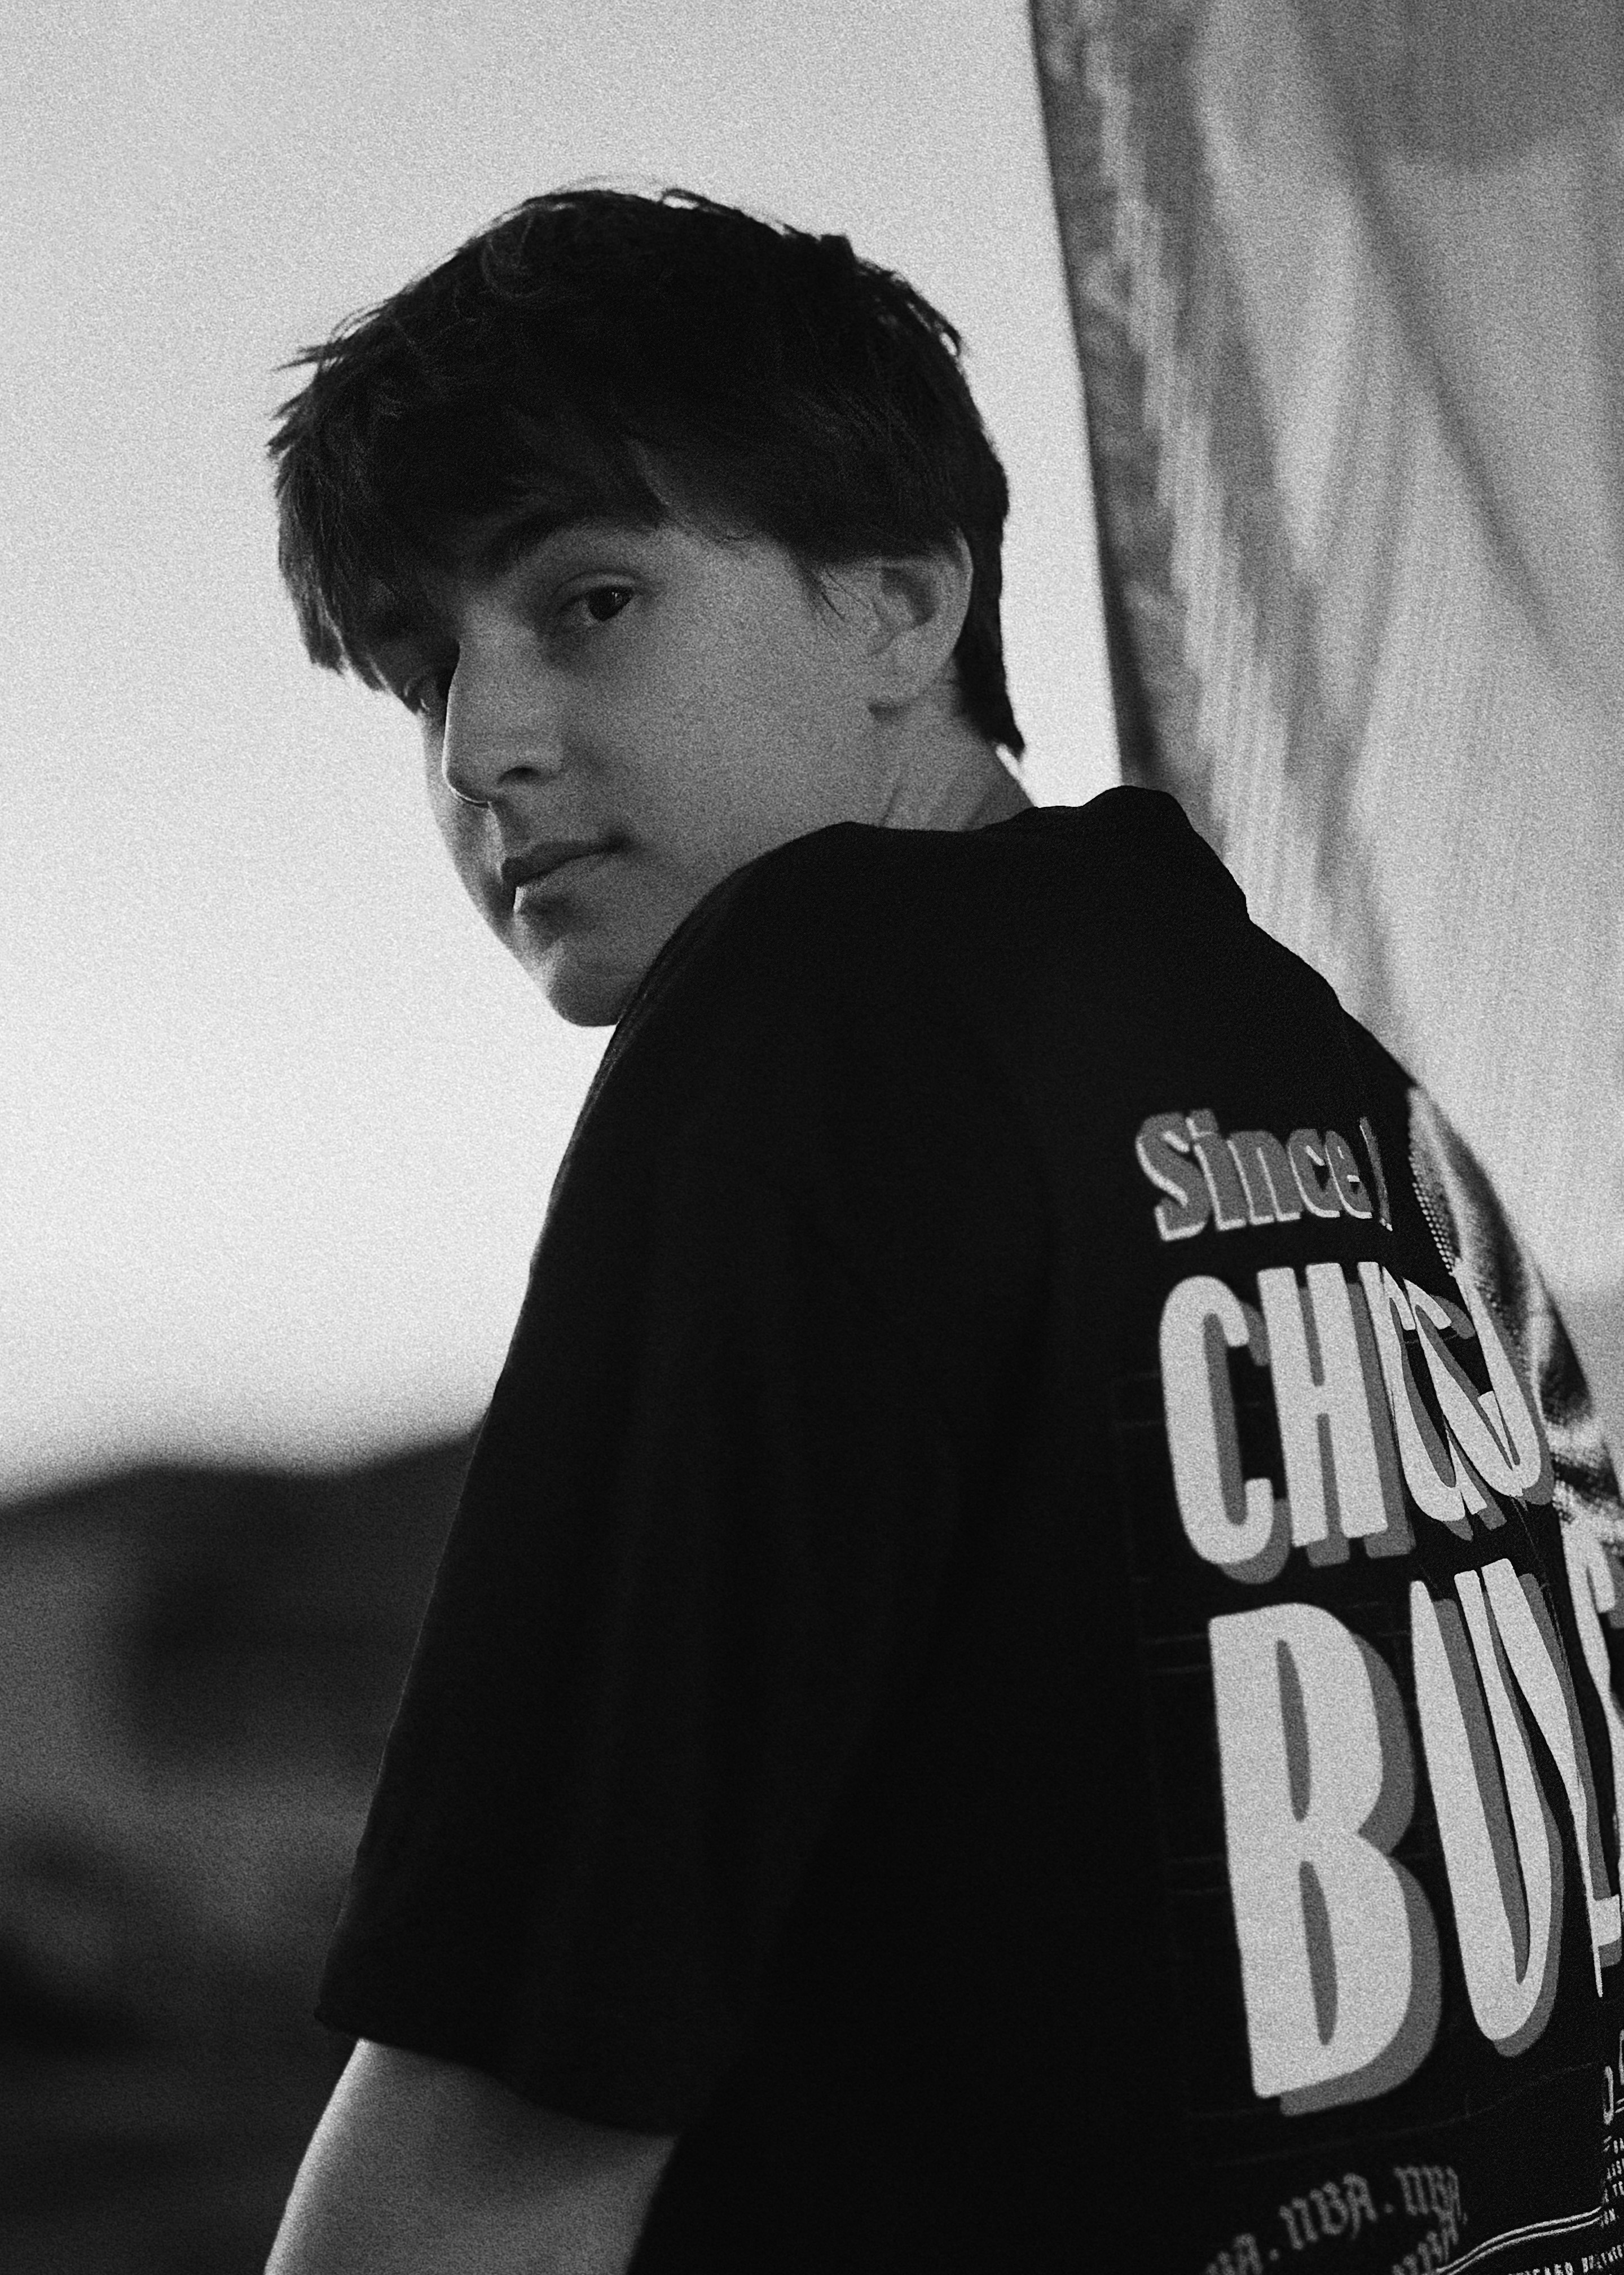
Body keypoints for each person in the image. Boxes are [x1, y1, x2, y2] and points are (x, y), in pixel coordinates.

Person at [262, 187, 1624, 2275]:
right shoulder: (1328, 1083)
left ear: (903, 604)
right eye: (423, 674)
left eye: (588, 602)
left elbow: (496, 2135)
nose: (485, 749)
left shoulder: (813, 1014)